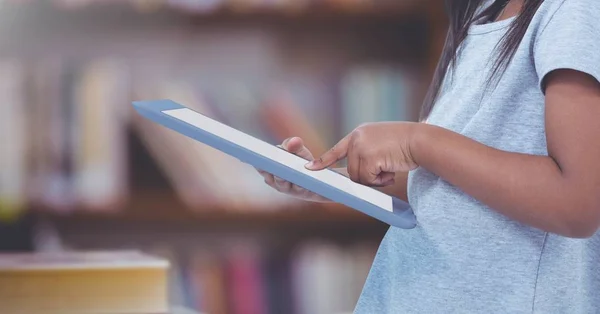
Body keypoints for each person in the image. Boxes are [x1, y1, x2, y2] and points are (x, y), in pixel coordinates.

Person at [257, 0, 600, 313]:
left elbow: (578, 203)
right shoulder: (482, 15)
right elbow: (450, 188)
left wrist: (418, 141)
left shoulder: (573, 10)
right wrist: (327, 183)